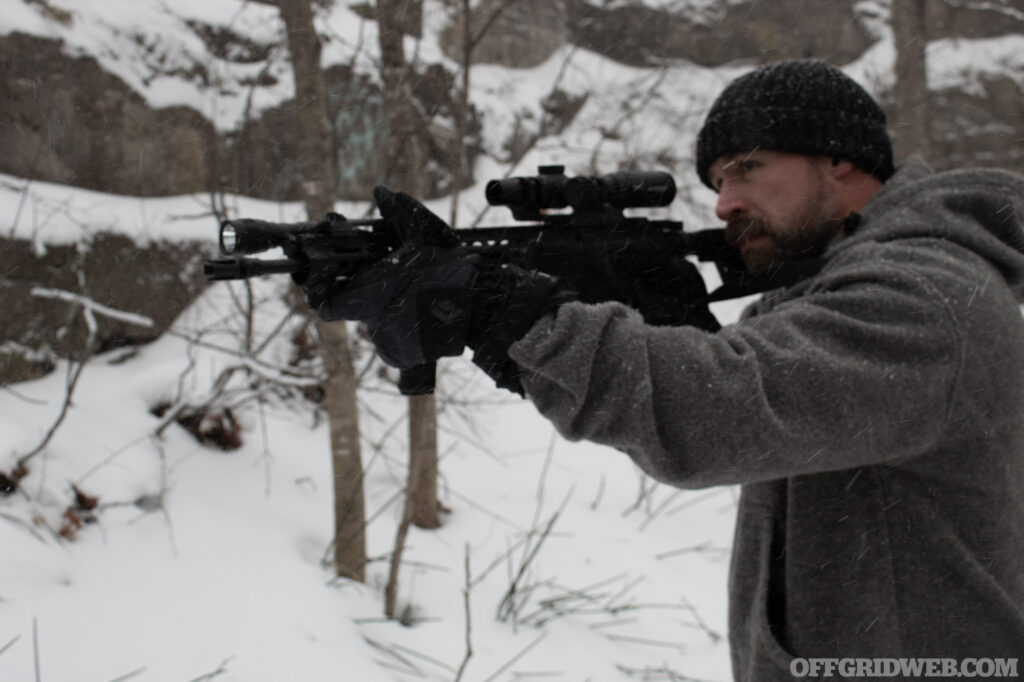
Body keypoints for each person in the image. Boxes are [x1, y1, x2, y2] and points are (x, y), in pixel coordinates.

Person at [305, 60, 1024, 679]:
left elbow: (722, 414)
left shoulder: (924, 298)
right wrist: (678, 333)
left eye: (747, 167)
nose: (724, 202)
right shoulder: (851, 289)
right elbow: (772, 405)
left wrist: (502, 310)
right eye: (716, 180)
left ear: (839, 158)